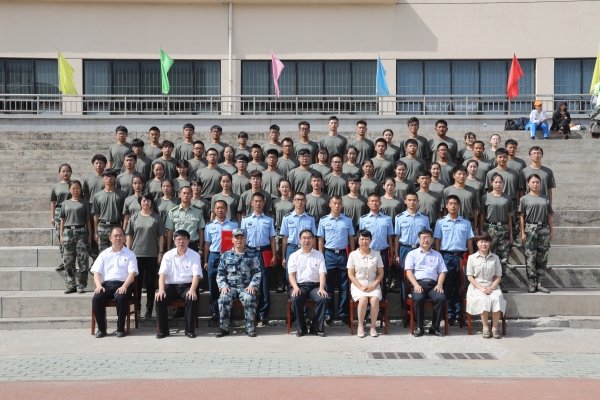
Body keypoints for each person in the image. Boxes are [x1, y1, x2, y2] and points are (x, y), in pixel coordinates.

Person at [91, 226, 138, 338]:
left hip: (124, 284)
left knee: (121, 297)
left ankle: (120, 329)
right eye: (115, 236)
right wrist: (98, 286)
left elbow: (132, 273)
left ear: (124, 238)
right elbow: (96, 272)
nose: (118, 238)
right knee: (97, 297)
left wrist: (124, 286)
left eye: (121, 235)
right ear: (110, 238)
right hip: (107, 285)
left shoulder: (130, 254)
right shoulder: (104, 254)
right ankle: (101, 329)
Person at [434, 195, 474, 326]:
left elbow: (469, 241)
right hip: (446, 256)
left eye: (455, 204)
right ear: (446, 206)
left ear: (459, 206)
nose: (453, 206)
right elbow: (437, 241)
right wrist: (438, 257)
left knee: (460, 285)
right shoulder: (440, 222)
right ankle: (449, 313)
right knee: (447, 285)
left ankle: (459, 313)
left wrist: (471, 258)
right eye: (450, 203)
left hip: (461, 256)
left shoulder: (466, 222)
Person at [155, 229, 202, 339]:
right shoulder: (168, 255)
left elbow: (196, 275)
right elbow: (162, 275)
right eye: (179, 239)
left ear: (188, 241)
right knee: (159, 298)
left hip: (187, 286)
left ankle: (189, 330)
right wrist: (161, 290)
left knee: (191, 297)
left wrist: (192, 290)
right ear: (174, 241)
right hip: (170, 287)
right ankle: (163, 330)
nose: (181, 242)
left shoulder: (195, 255)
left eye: (184, 239)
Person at [216, 228, 262, 338]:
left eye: (241, 238)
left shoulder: (252, 255)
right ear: (232, 239)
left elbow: (257, 273)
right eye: (237, 238)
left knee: (249, 298)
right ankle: (223, 328)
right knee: (224, 298)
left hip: (246, 287)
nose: (239, 240)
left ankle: (250, 328)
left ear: (245, 239)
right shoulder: (225, 256)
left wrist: (252, 285)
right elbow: (220, 273)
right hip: (230, 287)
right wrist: (223, 286)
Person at [125, 193, 165, 319]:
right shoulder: (134, 218)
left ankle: (149, 308)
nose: (146, 203)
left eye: (148, 201)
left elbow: (161, 236)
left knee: (150, 282)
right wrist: (128, 252)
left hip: (152, 254)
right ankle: (137, 308)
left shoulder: (157, 218)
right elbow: (129, 235)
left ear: (151, 202)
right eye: (143, 201)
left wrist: (160, 252)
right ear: (140, 202)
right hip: (136, 254)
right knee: (136, 283)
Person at [240, 192, 276, 326]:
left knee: (265, 284)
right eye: (256, 201)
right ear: (251, 203)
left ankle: (263, 314)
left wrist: (274, 255)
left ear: (264, 203)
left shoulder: (269, 220)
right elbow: (241, 239)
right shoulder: (245, 220)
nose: (258, 203)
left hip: (265, 251)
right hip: (249, 252)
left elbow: (272, 239)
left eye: (260, 201)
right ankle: (251, 313)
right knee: (249, 283)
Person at [317, 195, 355, 326]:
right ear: (330, 204)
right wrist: (321, 256)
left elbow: (351, 238)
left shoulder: (347, 220)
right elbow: (320, 239)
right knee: (329, 285)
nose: (337, 206)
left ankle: (343, 314)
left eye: (339, 203)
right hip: (329, 254)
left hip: (343, 254)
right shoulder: (323, 220)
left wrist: (352, 255)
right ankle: (329, 314)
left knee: (344, 285)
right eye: (334, 203)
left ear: (342, 205)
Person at [405, 228, 447, 337]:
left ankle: (435, 327)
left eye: (428, 238)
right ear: (419, 240)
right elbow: (409, 272)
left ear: (432, 240)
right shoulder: (412, 254)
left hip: (433, 285)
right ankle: (419, 327)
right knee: (418, 298)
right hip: (418, 284)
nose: (426, 240)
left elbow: (442, 272)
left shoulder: (437, 255)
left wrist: (439, 284)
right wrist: (415, 285)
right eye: (423, 238)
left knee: (441, 298)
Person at [204, 200, 239, 325]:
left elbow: (237, 243)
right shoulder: (209, 226)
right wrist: (206, 261)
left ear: (226, 209)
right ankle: (215, 314)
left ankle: (228, 314)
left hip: (229, 256)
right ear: (214, 210)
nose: (220, 210)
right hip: (214, 256)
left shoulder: (234, 225)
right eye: (217, 208)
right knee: (213, 285)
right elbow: (207, 244)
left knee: (229, 285)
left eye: (222, 208)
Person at [288, 229, 328, 337]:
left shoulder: (319, 255)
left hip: (315, 286)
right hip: (300, 286)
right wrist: (295, 287)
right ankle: (302, 327)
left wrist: (321, 288)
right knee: (295, 298)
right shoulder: (294, 256)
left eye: (309, 238)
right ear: (300, 240)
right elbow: (291, 275)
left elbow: (322, 273)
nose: (307, 240)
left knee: (322, 298)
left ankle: (316, 328)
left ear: (313, 240)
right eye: (304, 238)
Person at [466, 231, 506, 339]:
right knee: (483, 299)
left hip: (492, 286)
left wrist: (492, 287)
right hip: (477, 287)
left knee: (497, 299)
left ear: (490, 243)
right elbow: (470, 276)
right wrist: (481, 288)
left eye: (486, 241)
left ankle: (494, 328)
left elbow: (498, 276)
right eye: (481, 241)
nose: (484, 244)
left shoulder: (495, 258)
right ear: (477, 243)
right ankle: (485, 328)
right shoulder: (472, 258)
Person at [519, 174, 554, 293]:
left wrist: (551, 231)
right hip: (530, 228)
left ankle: (540, 283)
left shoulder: (545, 198)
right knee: (530, 256)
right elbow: (522, 217)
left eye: (537, 182)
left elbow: (549, 216)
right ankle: (531, 283)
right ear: (528, 183)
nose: (535, 184)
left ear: (540, 183)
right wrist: (522, 232)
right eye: (533, 182)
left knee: (542, 257)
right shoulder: (524, 199)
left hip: (543, 228)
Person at [480, 173, 513, 293]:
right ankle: (488, 282)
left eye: (500, 182)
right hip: (490, 227)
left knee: (503, 257)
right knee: (489, 255)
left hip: (504, 228)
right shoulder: (485, 197)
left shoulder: (507, 198)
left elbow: (509, 217)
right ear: (491, 183)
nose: (498, 184)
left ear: (503, 183)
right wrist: (481, 231)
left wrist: (511, 233)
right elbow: (482, 215)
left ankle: (499, 283)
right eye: (496, 182)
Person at [347, 229, 384, 338]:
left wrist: (373, 285)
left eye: (367, 239)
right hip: (358, 284)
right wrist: (360, 286)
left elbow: (381, 273)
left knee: (374, 299)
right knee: (363, 299)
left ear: (370, 241)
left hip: (373, 283)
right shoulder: (353, 255)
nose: (364, 241)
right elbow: (350, 274)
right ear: (358, 241)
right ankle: (360, 325)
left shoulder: (376, 254)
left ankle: (373, 326)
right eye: (362, 239)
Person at [394, 190, 430, 298]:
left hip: (420, 249)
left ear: (418, 201)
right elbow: (397, 237)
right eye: (409, 200)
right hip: (404, 249)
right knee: (404, 277)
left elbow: (427, 236)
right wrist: (396, 255)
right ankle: (405, 305)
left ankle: (417, 303)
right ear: (405, 201)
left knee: (420, 275)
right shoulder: (399, 217)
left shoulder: (424, 218)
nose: (412, 202)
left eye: (414, 200)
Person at [59, 180, 92, 294]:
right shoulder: (65, 203)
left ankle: (81, 284)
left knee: (83, 260)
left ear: (81, 189)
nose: (76, 190)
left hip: (81, 231)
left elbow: (88, 220)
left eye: (78, 188)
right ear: (69, 189)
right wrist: (61, 235)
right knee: (68, 260)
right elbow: (62, 220)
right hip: (68, 232)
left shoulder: (85, 203)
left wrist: (90, 234)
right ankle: (70, 284)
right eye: (73, 188)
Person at [359, 193, 394, 298]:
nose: (374, 203)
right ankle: (369, 303)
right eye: (372, 201)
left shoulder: (387, 219)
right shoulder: (363, 219)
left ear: (380, 203)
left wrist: (392, 254)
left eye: (376, 201)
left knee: (382, 277)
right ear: (368, 203)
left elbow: (389, 237)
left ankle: (382, 302)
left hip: (383, 253)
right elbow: (361, 238)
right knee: (368, 276)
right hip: (368, 253)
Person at [92, 169, 127, 253]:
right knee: (103, 253)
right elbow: (96, 215)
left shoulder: (122, 194)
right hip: (102, 227)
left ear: (115, 178)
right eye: (107, 176)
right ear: (103, 178)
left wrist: (123, 231)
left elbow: (125, 215)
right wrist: (96, 232)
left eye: (111, 176)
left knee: (117, 251)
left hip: (116, 225)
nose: (109, 178)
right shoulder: (97, 195)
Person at [281, 192, 317, 273]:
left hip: (306, 248)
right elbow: (284, 238)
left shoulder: (310, 218)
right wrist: (283, 257)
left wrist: (314, 253)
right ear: (293, 201)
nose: (300, 202)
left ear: (305, 202)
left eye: (302, 200)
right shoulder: (287, 218)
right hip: (291, 248)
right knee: (290, 274)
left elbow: (313, 238)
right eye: (297, 200)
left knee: (305, 273)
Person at [165, 186, 205, 253]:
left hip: (192, 245)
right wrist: (168, 249)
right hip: (177, 244)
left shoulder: (198, 211)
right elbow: (170, 231)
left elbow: (200, 231)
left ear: (192, 195)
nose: (186, 195)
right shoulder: (173, 211)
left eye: (188, 193)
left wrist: (200, 250)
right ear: (179, 195)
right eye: (184, 193)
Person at [272, 179, 294, 293]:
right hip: (278, 231)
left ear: (289, 188)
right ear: (279, 188)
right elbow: (272, 217)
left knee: (290, 259)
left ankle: (290, 283)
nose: (284, 189)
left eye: (287, 187)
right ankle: (281, 283)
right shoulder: (275, 202)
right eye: (282, 187)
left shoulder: (293, 202)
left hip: (291, 232)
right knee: (279, 258)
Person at [51, 163, 73, 270]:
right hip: (59, 211)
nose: (65, 173)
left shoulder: (74, 184)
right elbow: (53, 202)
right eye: (63, 171)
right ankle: (64, 261)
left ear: (71, 172)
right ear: (59, 173)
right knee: (60, 237)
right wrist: (52, 217)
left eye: (67, 171)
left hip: (72, 210)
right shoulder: (55, 186)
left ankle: (71, 261)